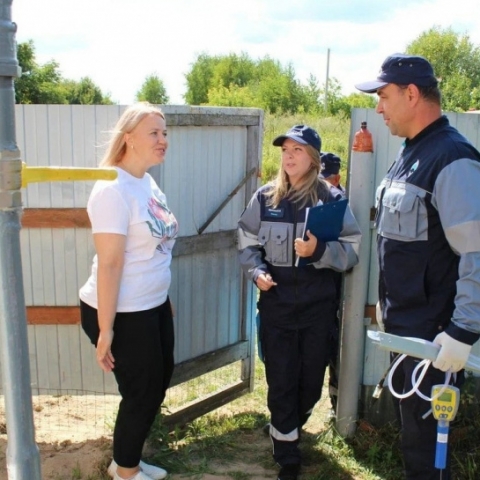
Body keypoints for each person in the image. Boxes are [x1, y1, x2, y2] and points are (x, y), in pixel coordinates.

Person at [355, 53, 480, 480]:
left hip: (436, 341)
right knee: (415, 443)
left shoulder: (452, 158)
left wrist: (463, 331)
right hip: (408, 334)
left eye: (384, 95)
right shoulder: (411, 153)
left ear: (412, 94)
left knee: (429, 453)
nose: (378, 107)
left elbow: (477, 252)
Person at [237, 125, 361, 480]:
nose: (289, 157)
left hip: (317, 311)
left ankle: (290, 423)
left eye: (298, 151)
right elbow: (246, 242)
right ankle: (287, 454)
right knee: (281, 381)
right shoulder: (265, 198)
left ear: (314, 160)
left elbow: (352, 251)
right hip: (276, 308)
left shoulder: (332, 200)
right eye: (285, 151)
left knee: (309, 385)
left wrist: (318, 250)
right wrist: (257, 272)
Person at [79, 102, 178, 480]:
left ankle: (125, 461)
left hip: (151, 306)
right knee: (141, 393)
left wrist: (163, 300)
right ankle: (125, 472)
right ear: (128, 139)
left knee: (157, 383)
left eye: (164, 133)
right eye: (154, 133)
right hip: (120, 311)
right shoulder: (111, 188)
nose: (163, 140)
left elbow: (154, 249)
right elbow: (110, 263)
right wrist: (105, 330)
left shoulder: (147, 182)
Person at [319, 152, 346, 418]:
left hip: (340, 292)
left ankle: (337, 406)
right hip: (318, 292)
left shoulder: (346, 203)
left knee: (337, 349)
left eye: (327, 179)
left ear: (337, 178)